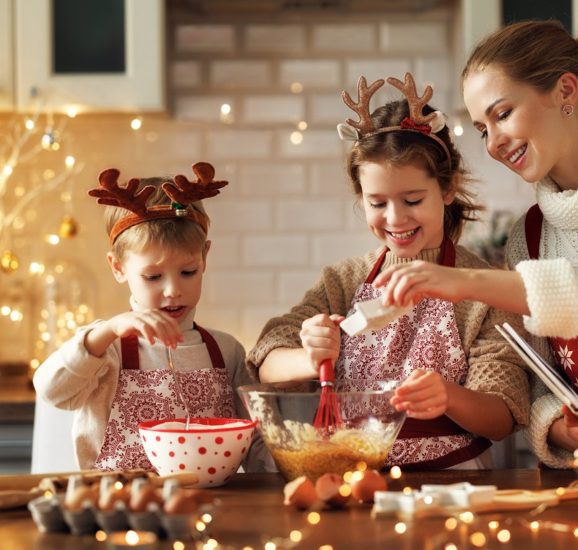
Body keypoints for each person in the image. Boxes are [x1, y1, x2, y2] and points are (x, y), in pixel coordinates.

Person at [373, 14, 578, 467]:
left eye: (502, 114)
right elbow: (544, 383)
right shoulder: (529, 238)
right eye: (483, 129)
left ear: (566, 91)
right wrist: (564, 430)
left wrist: (462, 280)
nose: (493, 144)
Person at [246, 73, 529, 470]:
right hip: (350, 473)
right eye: (377, 203)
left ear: (448, 189)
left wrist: (447, 396)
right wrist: (308, 357)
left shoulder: (483, 289)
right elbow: (266, 360)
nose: (395, 218)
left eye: (412, 199)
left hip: (451, 481)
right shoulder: (342, 282)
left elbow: (502, 415)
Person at [33, 162, 270, 472]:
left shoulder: (228, 352)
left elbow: (254, 441)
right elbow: (52, 391)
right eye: (153, 276)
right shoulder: (106, 348)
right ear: (118, 267)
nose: (172, 290)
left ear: (205, 258)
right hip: (120, 507)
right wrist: (108, 331)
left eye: (188, 272)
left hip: (210, 507)